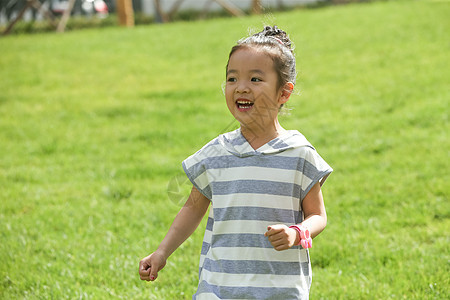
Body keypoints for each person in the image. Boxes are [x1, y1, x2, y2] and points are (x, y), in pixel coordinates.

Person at [139, 25, 333, 299]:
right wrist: (161, 252)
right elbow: (192, 209)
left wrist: (297, 232)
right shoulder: (217, 153)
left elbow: (318, 216)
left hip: (278, 288)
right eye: (232, 79)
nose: (241, 87)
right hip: (220, 285)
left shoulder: (299, 154)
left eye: (255, 79)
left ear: (284, 93)